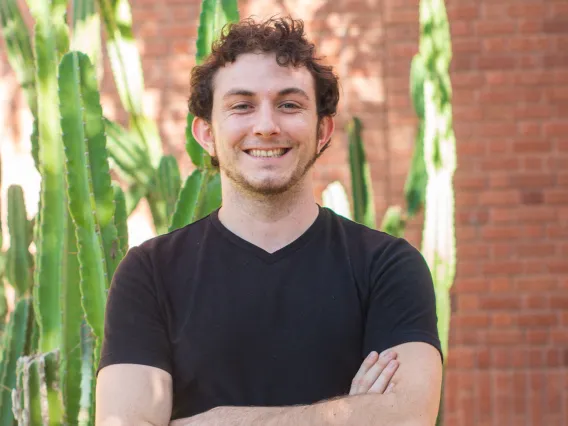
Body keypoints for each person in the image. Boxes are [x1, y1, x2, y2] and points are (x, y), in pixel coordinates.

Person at [95, 16, 443, 426]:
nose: (265, 126)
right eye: (241, 106)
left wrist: (214, 420)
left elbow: (406, 416)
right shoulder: (149, 272)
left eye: (289, 105)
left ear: (323, 129)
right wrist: (349, 414)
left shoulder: (386, 265)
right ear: (206, 134)